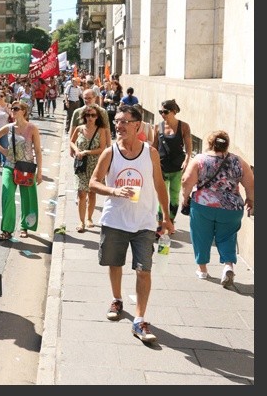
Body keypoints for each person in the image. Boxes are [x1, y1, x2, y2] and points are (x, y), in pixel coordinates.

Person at [88, 105, 174, 344]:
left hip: (144, 222)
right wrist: (114, 191)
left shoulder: (150, 153)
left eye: (124, 121)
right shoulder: (110, 152)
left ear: (137, 125)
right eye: (116, 121)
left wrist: (166, 217)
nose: (119, 125)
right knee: (115, 263)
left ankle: (139, 319)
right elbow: (93, 182)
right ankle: (117, 299)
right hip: (115, 220)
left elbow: (159, 184)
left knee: (144, 270)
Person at [180, 131, 253, 286]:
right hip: (231, 209)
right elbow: (250, 182)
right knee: (228, 236)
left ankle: (202, 270)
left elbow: (186, 180)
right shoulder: (238, 161)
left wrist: (185, 197)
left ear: (210, 143)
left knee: (201, 236)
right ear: (226, 144)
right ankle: (228, 266)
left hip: (203, 206)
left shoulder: (200, 159)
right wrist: (250, 199)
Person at [0, 101, 43, 240]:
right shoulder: (9, 127)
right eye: (12, 108)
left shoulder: (32, 128)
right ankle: (7, 230)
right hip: (10, 165)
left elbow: (37, 150)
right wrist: (3, 151)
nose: (13, 110)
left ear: (23, 111)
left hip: (26, 167)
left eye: (16, 108)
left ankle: (25, 226)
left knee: (28, 198)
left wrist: (40, 172)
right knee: (7, 195)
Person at [152, 99, 192, 234]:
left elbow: (189, 149)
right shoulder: (158, 127)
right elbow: (154, 147)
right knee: (161, 196)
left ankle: (170, 222)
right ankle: (160, 224)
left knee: (174, 197)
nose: (163, 114)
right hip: (161, 167)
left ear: (174, 111)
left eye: (165, 111)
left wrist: (187, 160)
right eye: (161, 112)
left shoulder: (184, 126)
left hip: (177, 168)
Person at [69, 105, 109, 232]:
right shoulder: (80, 129)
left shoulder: (101, 130)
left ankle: (89, 218)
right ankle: (81, 222)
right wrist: (76, 150)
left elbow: (102, 148)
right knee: (81, 193)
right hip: (81, 165)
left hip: (94, 165)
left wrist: (86, 152)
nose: (90, 118)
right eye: (88, 115)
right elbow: (71, 141)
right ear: (84, 116)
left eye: (93, 115)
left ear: (97, 117)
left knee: (92, 193)